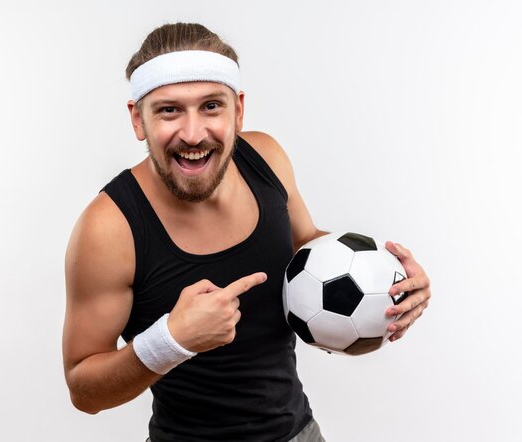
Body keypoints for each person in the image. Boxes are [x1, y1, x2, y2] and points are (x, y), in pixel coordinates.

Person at [62, 23, 431, 442]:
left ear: (238, 110)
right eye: (169, 110)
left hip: (299, 433)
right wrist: (170, 340)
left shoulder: (266, 158)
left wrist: (391, 279)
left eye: (211, 107)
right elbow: (83, 390)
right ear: (138, 119)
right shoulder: (109, 228)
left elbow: (304, 244)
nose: (193, 134)